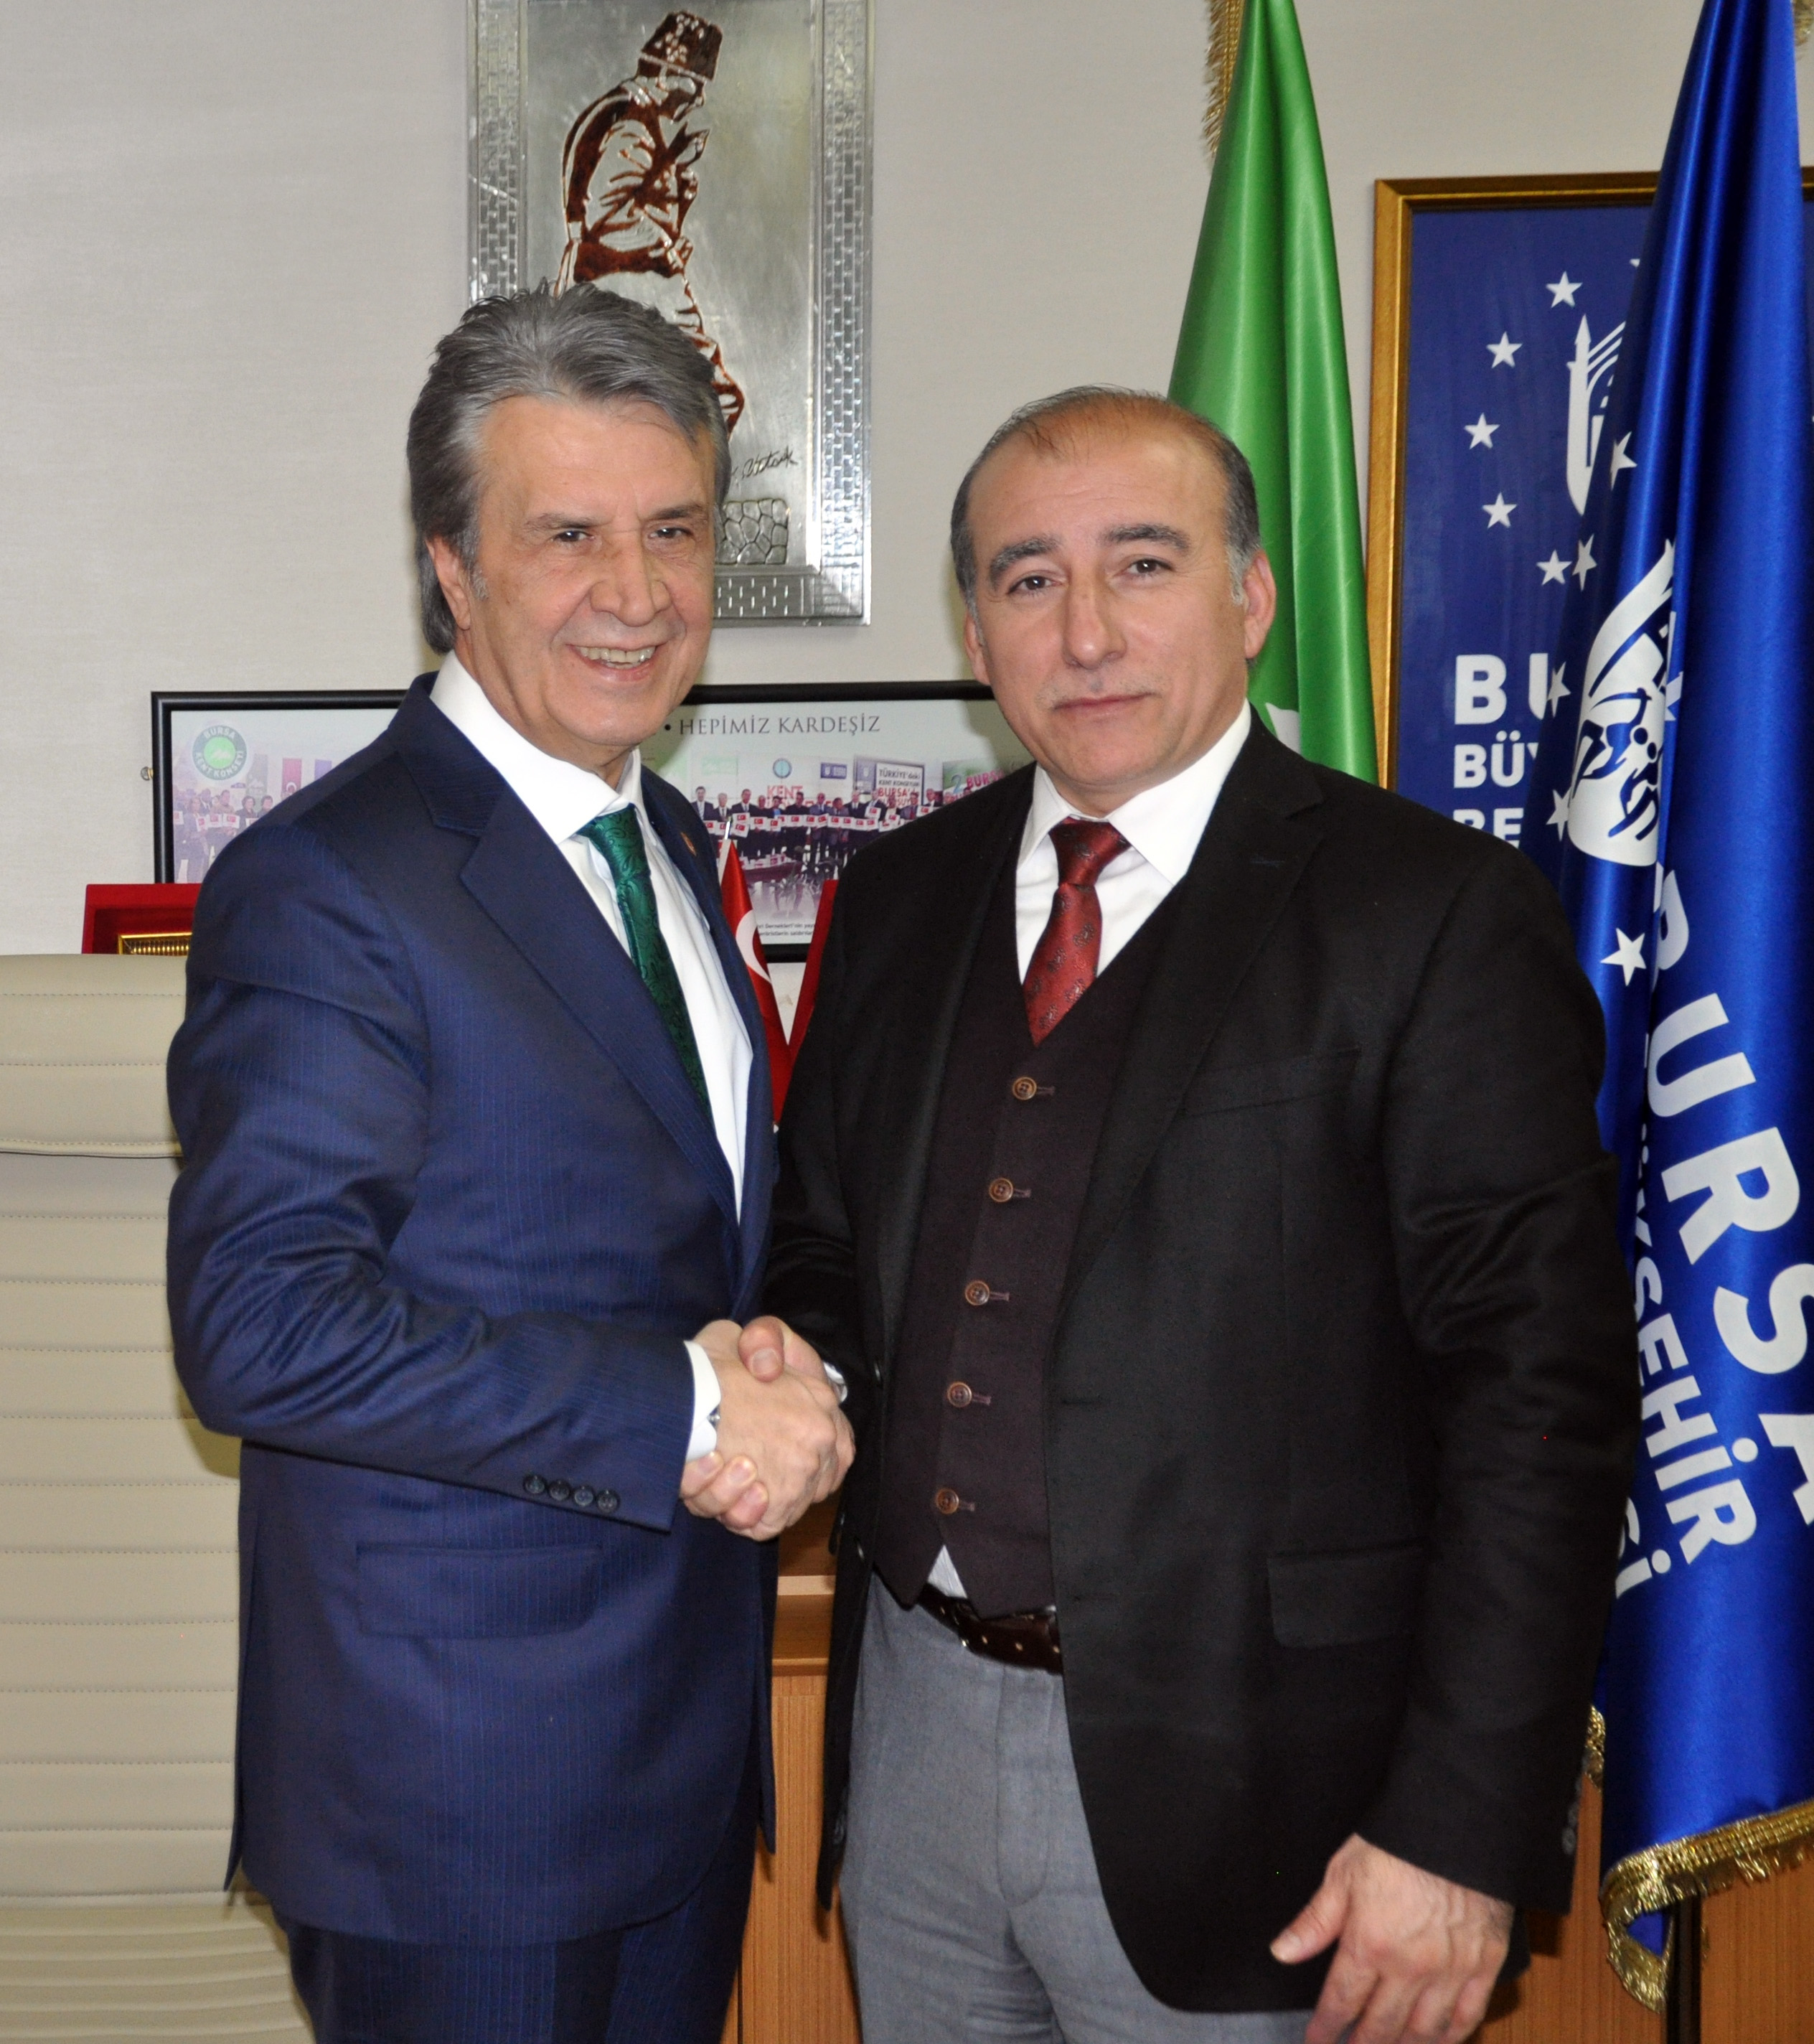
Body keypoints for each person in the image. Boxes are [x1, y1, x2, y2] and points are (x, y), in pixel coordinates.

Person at [765, 388, 1639, 2044]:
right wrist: (784, 1374)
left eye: (1143, 563)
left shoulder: (1433, 912)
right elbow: (823, 1245)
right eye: (1029, 578)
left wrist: (1459, 1825)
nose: (1086, 630)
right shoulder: (896, 897)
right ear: (975, 632)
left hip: (1277, 1801)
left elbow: (1542, 1398)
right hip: (911, 1743)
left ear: (1250, 596)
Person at [166, 285, 851, 2044]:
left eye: (674, 530)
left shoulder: (665, 837)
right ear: (452, 569)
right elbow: (259, 1324)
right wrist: (686, 1406)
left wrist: (788, 1364)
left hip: (675, 1760)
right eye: (567, 535)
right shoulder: (330, 880)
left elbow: (690, 1242)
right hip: (456, 1798)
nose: (637, 590)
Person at [556, 10, 744, 432]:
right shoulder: (633, 123)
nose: (698, 100)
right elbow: (607, 218)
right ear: (665, 74)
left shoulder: (627, 115)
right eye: (694, 84)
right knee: (713, 402)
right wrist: (665, 248)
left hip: (625, 284)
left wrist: (673, 166)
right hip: (632, 283)